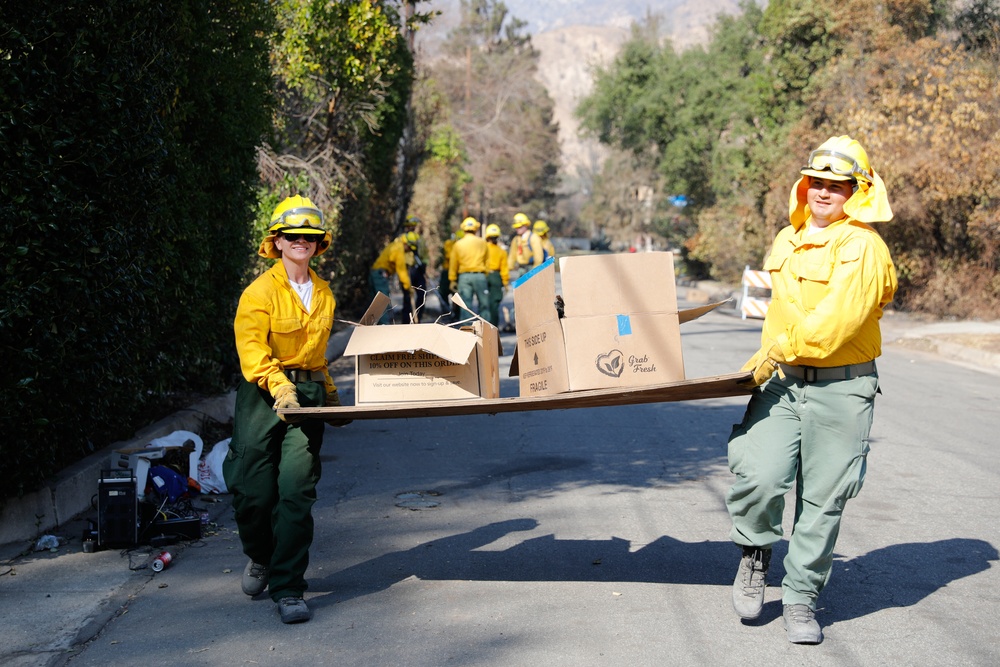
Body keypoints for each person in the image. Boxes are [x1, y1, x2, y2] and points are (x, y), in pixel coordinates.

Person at [726, 135, 897, 644]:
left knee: (823, 500)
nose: (824, 192)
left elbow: (835, 324)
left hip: (842, 389)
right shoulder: (787, 237)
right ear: (805, 185)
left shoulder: (863, 245)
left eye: (837, 185)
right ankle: (755, 556)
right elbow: (776, 311)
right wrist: (763, 355)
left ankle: (801, 597)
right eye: (817, 182)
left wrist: (778, 350)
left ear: (857, 192)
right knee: (757, 474)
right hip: (782, 381)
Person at [225, 195, 347, 624]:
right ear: (276, 241)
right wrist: (279, 387)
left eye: (310, 237)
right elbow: (252, 349)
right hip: (263, 397)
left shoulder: (325, 295)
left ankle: (289, 587)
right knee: (251, 492)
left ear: (319, 245)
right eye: (293, 236)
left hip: (306, 400)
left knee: (296, 493)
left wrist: (330, 396)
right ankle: (260, 556)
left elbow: (316, 358)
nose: (301, 242)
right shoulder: (258, 293)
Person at [370, 231, 418, 324]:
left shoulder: (396, 245)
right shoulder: (398, 249)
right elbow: (401, 271)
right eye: (409, 247)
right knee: (383, 301)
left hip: (376, 273)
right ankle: (385, 327)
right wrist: (408, 287)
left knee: (376, 302)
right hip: (380, 274)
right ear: (406, 243)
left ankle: (374, 326)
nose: (408, 250)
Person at [448, 216, 489, 321]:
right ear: (476, 228)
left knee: (465, 307)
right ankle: (487, 331)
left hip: (464, 277)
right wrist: (486, 275)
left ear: (463, 229)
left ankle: (467, 332)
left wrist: (452, 279)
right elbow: (487, 261)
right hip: (480, 276)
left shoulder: (458, 244)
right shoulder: (482, 243)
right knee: (484, 305)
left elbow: (453, 263)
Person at [401, 215, 428, 323]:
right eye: (410, 226)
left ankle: (418, 319)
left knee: (422, 295)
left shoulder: (420, 239)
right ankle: (406, 321)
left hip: (419, 270)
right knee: (408, 297)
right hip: (407, 270)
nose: (412, 228)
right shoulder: (402, 239)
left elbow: (425, 254)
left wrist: (424, 265)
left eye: (413, 226)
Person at [484, 223, 510, 328]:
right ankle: (493, 327)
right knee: (494, 304)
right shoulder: (501, 251)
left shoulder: (483, 248)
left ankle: (484, 326)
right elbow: (504, 268)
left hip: (484, 275)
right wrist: (505, 282)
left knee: (484, 303)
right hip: (496, 276)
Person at [507, 212, 544, 279]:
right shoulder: (516, 240)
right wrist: (507, 270)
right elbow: (512, 256)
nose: (517, 229)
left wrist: (534, 272)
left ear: (526, 225)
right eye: (516, 227)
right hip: (521, 269)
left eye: (520, 227)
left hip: (532, 268)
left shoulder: (534, 238)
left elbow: (538, 257)